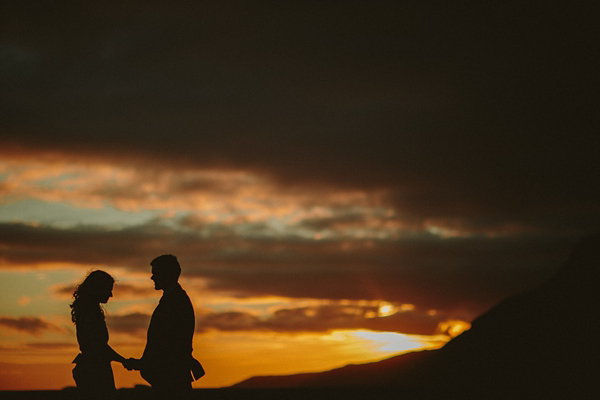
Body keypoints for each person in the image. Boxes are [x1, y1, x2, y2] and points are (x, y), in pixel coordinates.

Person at [124, 254, 203, 399]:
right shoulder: (174, 299)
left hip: (170, 375)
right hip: (170, 374)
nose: (152, 278)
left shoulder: (175, 301)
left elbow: (167, 342)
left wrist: (143, 363)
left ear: (166, 274)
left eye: (155, 273)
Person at [70, 270, 127, 399]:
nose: (111, 294)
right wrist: (124, 360)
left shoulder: (88, 311)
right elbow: (99, 348)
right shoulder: (91, 314)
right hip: (95, 372)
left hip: (91, 369)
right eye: (108, 289)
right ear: (98, 289)